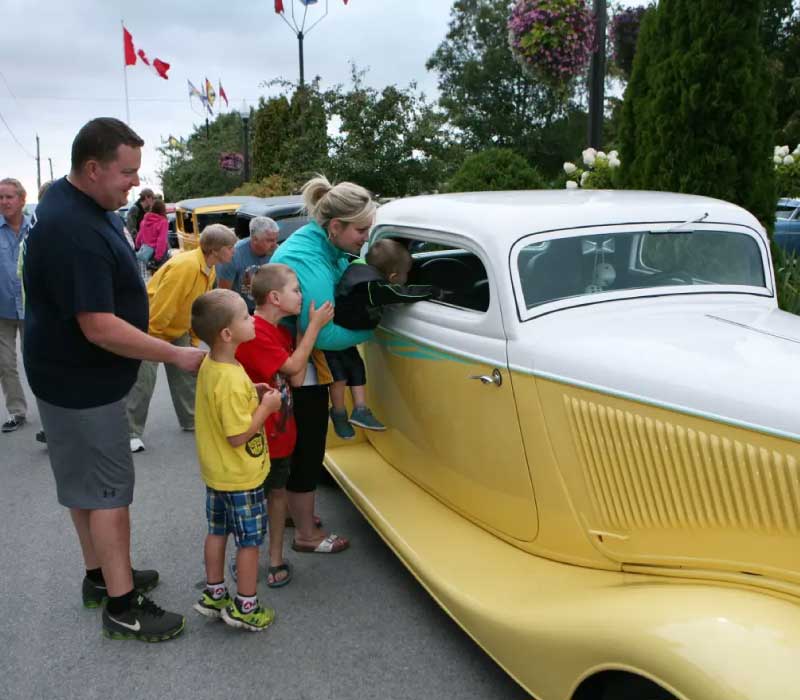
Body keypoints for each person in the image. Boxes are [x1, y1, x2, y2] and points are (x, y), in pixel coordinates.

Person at [23, 117, 204, 641]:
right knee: (108, 494)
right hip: (84, 382)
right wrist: (174, 354)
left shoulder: (69, 201)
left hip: (60, 372)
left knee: (84, 486)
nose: (135, 183)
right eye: (127, 173)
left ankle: (100, 576)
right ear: (93, 168)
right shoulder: (74, 229)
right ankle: (124, 607)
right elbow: (98, 326)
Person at [270, 174, 376, 554]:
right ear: (335, 226)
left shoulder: (319, 243)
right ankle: (306, 535)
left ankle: (289, 514)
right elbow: (324, 334)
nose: (366, 237)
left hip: (290, 355)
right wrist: (374, 332)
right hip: (298, 362)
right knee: (309, 445)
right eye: (361, 230)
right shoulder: (308, 258)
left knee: (294, 442)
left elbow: (349, 262)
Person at [235, 264, 334, 584]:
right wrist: (314, 326)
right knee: (250, 502)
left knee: (277, 496)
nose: (301, 295)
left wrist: (304, 330)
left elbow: (294, 373)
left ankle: (275, 557)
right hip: (257, 435)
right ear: (275, 298)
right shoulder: (255, 332)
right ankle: (246, 559)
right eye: (296, 290)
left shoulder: (278, 330)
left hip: (280, 433)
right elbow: (292, 368)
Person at [191, 288, 282, 631]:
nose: (252, 320)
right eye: (246, 316)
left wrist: (252, 392)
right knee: (249, 542)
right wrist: (266, 408)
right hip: (241, 477)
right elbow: (238, 435)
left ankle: (215, 594)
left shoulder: (215, 364)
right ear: (227, 334)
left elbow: (225, 407)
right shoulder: (229, 377)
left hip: (218, 473)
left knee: (217, 531)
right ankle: (246, 605)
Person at [126, 224, 237, 453]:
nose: (233, 251)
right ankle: (130, 433)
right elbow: (162, 308)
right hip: (152, 328)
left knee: (187, 374)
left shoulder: (209, 268)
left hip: (177, 327)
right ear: (215, 250)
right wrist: (152, 345)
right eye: (230, 247)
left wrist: (193, 340)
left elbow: (197, 308)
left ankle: (191, 419)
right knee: (143, 382)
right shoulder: (186, 267)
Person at [325, 239, 434, 439]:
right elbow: (400, 293)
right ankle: (339, 413)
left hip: (345, 336)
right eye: (406, 274)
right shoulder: (370, 286)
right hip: (335, 338)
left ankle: (360, 410)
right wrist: (432, 291)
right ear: (393, 276)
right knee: (339, 377)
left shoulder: (359, 268)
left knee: (357, 369)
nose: (406, 278)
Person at [0, 177, 31, 433]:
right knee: (5, 363)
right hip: (2, 309)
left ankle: (52, 414)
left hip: (33, 309)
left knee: (37, 363)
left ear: (22, 199)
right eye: (0, 198)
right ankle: (17, 412)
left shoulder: (36, 228)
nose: (4, 202)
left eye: (9, 197)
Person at [216, 216, 279, 312]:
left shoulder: (277, 253)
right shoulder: (233, 255)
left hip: (267, 308)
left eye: (276, 239)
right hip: (241, 310)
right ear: (254, 239)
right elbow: (224, 294)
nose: (274, 244)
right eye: (269, 240)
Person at [134, 198, 169, 269]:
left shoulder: (144, 221)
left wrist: (137, 246)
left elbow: (139, 235)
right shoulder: (163, 222)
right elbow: (161, 240)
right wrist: (158, 257)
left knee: (148, 273)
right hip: (158, 253)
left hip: (146, 252)